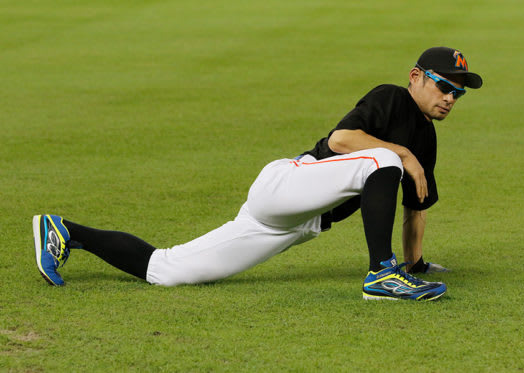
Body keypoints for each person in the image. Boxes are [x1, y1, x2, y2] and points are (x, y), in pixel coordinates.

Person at [33, 46, 482, 301]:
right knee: (382, 160)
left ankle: (65, 231)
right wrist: (402, 151)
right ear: (416, 77)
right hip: (288, 183)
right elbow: (342, 140)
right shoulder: (391, 98)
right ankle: (380, 275)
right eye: (444, 86)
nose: (450, 98)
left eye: (458, 93)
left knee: (167, 270)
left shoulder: (428, 140)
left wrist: (417, 263)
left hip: (290, 223)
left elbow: (415, 207)